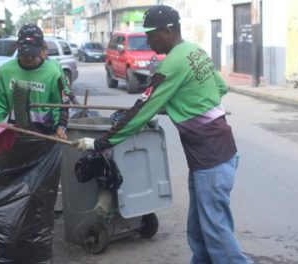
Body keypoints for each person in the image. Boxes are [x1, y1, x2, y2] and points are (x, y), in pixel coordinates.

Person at [73, 5, 252, 264]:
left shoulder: (173, 63)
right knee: (199, 229)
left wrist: (99, 142)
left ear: (168, 31)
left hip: (211, 158)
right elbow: (220, 87)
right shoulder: (195, 51)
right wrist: (178, 105)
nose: (148, 39)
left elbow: (141, 110)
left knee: (216, 234)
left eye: (151, 34)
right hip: (218, 153)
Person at [0, 23, 69, 140]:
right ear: (18, 47)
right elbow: (0, 107)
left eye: (32, 54)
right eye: (24, 53)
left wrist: (60, 127)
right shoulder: (5, 71)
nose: (28, 58)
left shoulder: (53, 73)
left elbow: (61, 107)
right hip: (15, 137)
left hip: (45, 139)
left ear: (41, 49)